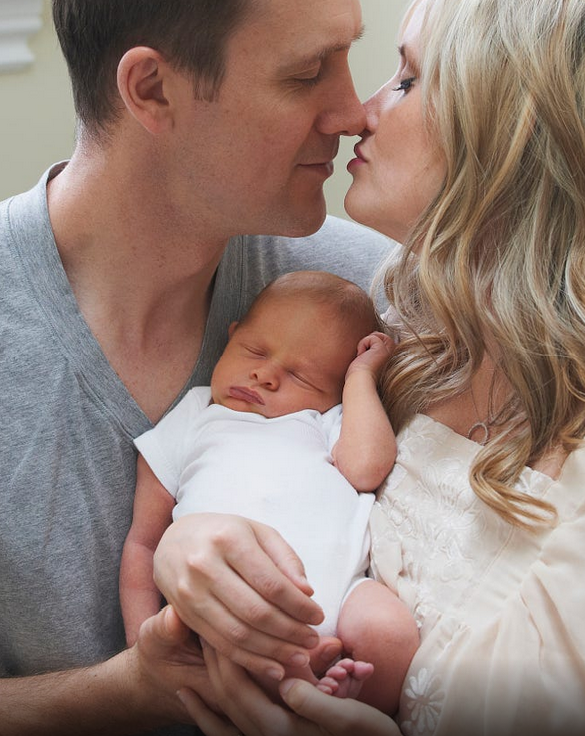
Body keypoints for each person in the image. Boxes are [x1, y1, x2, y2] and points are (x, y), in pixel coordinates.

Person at [151, 0, 585, 736]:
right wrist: (188, 544)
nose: (359, 113)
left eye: (407, 80)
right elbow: (284, 471)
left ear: (515, 136)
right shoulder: (407, 307)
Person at [0, 0, 394, 734]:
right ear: (152, 89)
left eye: (350, 59)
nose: (353, 112)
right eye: (307, 73)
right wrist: (126, 690)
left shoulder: (375, 297)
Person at [120, 270, 419, 714]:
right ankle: (309, 681)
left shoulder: (325, 422)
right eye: (254, 351)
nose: (264, 374)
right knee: (231, 655)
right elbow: (143, 543)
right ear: (231, 336)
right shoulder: (196, 416)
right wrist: (142, 646)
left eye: (300, 376)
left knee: (391, 634)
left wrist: (361, 379)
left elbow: (366, 469)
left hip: (342, 593)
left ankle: (345, 707)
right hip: (229, 604)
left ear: (333, 392)